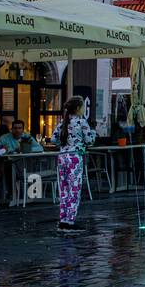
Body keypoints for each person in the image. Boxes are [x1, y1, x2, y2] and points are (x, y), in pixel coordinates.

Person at [52, 96, 96, 232]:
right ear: (78, 108)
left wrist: (65, 145)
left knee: (64, 189)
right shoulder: (82, 122)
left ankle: (63, 219)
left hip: (62, 157)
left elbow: (54, 140)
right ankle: (70, 221)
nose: (84, 109)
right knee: (74, 189)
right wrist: (93, 133)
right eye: (83, 106)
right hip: (75, 158)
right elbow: (90, 141)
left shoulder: (62, 123)